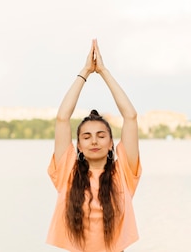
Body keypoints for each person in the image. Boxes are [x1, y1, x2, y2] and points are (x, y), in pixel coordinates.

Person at [46, 39, 141, 252]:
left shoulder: (123, 173)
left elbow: (131, 116)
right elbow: (62, 118)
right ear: (78, 146)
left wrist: (104, 71)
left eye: (101, 135)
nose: (94, 141)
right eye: (87, 137)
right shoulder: (67, 172)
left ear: (111, 144)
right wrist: (85, 72)